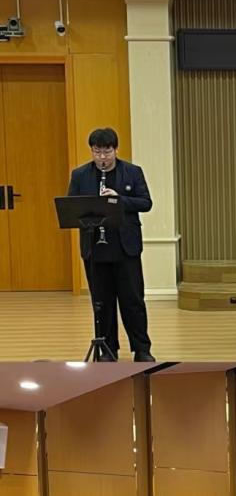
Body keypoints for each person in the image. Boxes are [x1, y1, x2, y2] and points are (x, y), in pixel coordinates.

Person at [67, 128, 154, 362]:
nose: (102, 157)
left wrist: (118, 200)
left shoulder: (132, 172)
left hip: (125, 247)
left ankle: (142, 349)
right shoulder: (80, 175)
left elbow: (146, 203)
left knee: (133, 301)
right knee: (102, 303)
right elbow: (71, 207)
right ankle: (107, 349)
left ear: (115, 149)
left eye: (107, 152)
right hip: (96, 248)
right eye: (97, 152)